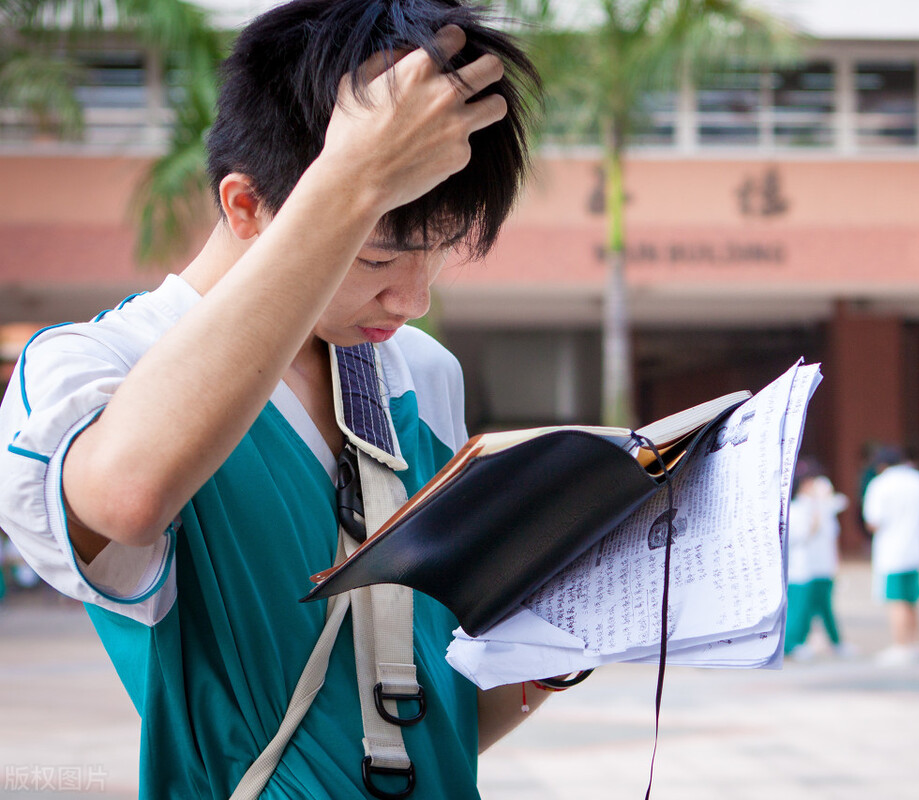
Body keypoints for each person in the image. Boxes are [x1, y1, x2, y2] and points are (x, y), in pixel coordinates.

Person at [0, 1, 548, 797]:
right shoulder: (92, 369)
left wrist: (564, 645)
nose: (413, 299)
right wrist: (354, 176)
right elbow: (124, 496)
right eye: (375, 258)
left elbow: (424, 712)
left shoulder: (416, 373)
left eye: (435, 257)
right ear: (246, 208)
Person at [862, 446, 919, 667]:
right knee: (912, 599)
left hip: (892, 550)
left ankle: (901, 645)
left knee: (896, 600)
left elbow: (873, 521)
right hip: (916, 547)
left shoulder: (880, 484)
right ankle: (915, 643)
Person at [784, 470, 850, 660]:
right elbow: (803, 534)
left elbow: (841, 504)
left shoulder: (822, 508)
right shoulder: (796, 508)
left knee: (823, 607)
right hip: (800, 569)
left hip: (822, 568)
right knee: (799, 609)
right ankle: (793, 644)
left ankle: (834, 642)